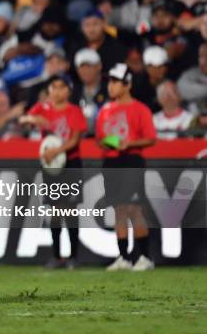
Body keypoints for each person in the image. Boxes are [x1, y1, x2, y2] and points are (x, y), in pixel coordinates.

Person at [20, 73, 87, 269]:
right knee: (55, 210)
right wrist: (33, 118)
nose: (57, 91)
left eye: (62, 87)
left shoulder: (74, 111)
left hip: (70, 163)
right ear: (48, 90)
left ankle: (73, 256)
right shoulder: (42, 108)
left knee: (71, 211)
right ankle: (57, 256)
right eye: (54, 87)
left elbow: (75, 139)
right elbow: (24, 119)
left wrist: (55, 151)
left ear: (69, 90)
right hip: (51, 166)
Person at [96, 63, 156, 271]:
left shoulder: (140, 109)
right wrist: (110, 142)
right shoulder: (104, 110)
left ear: (127, 84)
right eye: (110, 81)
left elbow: (150, 138)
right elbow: (100, 138)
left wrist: (128, 143)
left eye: (115, 81)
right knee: (119, 210)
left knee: (134, 209)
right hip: (112, 160)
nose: (110, 86)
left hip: (131, 159)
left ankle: (144, 257)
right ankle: (125, 257)